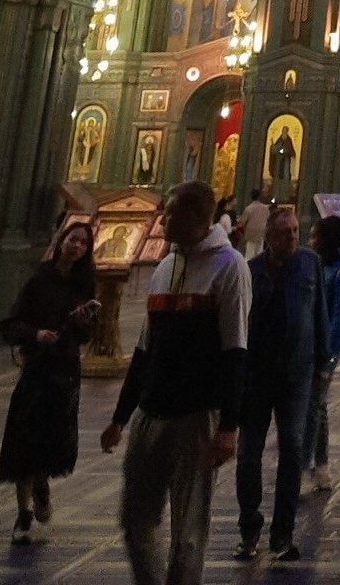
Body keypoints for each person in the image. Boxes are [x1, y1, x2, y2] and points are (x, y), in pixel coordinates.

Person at [101, 179, 250, 585]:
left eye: (170, 212)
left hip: (196, 414)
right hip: (152, 411)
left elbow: (235, 350)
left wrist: (228, 426)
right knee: (135, 523)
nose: (162, 219)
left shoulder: (229, 266)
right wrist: (121, 415)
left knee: (187, 534)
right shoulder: (165, 266)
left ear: (196, 217)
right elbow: (147, 347)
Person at [233, 206, 328, 561]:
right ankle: (249, 528)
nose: (292, 237)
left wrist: (322, 362)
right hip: (256, 378)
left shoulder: (309, 263)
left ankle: (282, 535)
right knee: (248, 455)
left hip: (296, 375)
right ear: (269, 236)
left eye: (295, 231)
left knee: (292, 450)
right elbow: (239, 323)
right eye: (285, 232)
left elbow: (319, 313)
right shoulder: (251, 271)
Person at [0, 220, 100, 545]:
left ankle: (42, 484)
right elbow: (11, 324)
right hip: (37, 371)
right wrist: (35, 334)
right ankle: (23, 513)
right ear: (62, 240)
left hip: (65, 372)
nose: (77, 246)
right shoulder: (39, 279)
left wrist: (83, 324)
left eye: (83, 243)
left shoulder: (84, 286)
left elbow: (85, 337)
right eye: (73, 239)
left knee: (51, 440)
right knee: (23, 440)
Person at [305, 214, 340, 492]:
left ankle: (303, 468)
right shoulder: (314, 265)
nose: (311, 241)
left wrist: (329, 355)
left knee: (313, 406)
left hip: (326, 350)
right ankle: (321, 467)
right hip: (308, 345)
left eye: (315, 236)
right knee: (317, 406)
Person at [240, 186, 270, 263]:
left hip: (250, 234)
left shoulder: (248, 208)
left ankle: (249, 271)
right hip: (261, 234)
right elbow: (268, 220)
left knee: (249, 256)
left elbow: (242, 222)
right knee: (259, 254)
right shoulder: (265, 208)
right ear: (259, 196)